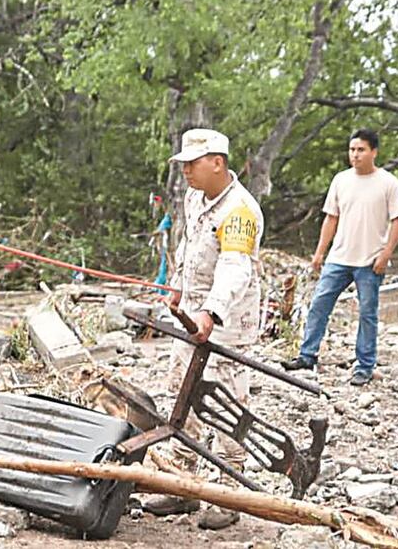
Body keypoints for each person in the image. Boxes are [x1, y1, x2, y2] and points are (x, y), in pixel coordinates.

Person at [141, 128, 263, 530]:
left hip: (227, 323)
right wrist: (177, 289)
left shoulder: (240, 212)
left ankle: (230, 492)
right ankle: (183, 485)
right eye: (183, 166)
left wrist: (211, 312)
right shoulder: (195, 199)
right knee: (181, 391)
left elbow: (235, 268)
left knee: (227, 406)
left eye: (192, 165)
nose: (186, 173)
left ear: (217, 163)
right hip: (191, 316)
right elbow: (188, 248)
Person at [282, 129, 398, 386]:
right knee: (319, 304)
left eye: (361, 150)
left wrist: (386, 254)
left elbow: (397, 220)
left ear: (374, 151)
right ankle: (307, 355)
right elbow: (331, 217)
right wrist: (319, 252)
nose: (355, 155)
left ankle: (364, 365)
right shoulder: (341, 180)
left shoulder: (388, 183)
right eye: (352, 149)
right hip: (339, 257)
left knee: (367, 313)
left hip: (370, 260)